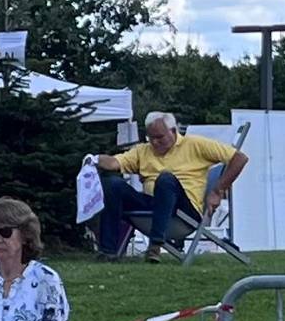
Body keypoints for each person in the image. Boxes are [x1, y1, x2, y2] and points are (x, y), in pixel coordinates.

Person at [93, 111, 246, 259]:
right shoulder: (143, 151)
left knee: (166, 179)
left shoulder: (195, 144)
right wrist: (92, 160)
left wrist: (218, 190)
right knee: (112, 184)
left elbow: (239, 158)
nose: (154, 142)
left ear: (173, 131)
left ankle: (155, 245)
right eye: (150, 138)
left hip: (183, 211)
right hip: (151, 206)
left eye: (160, 137)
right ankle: (108, 252)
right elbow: (114, 162)